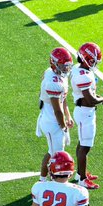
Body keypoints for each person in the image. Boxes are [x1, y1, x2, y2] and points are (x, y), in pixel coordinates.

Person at [69, 42, 103, 190]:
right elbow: (90, 99)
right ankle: (82, 179)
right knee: (85, 147)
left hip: (83, 111)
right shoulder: (83, 76)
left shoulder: (78, 69)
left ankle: (80, 173)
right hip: (85, 112)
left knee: (82, 143)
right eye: (93, 61)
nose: (95, 64)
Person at [38, 47, 75, 180]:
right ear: (54, 63)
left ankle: (42, 180)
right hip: (51, 120)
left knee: (52, 152)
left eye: (67, 65)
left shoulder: (56, 75)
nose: (66, 68)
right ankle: (51, 182)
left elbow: (63, 99)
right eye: (62, 65)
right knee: (57, 156)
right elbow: (57, 109)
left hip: (53, 118)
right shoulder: (53, 82)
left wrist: (68, 115)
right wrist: (63, 124)